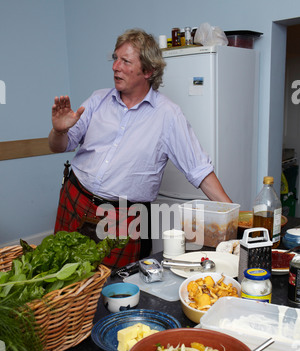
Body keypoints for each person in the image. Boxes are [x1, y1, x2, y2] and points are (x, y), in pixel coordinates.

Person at [49, 28, 232, 269]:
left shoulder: (168, 115)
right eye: (115, 58)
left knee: (111, 290)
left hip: (121, 218)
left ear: (148, 71)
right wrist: (59, 130)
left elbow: (199, 171)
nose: (115, 66)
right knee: (59, 278)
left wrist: (234, 218)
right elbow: (57, 146)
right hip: (76, 199)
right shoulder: (97, 100)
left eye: (125, 61)